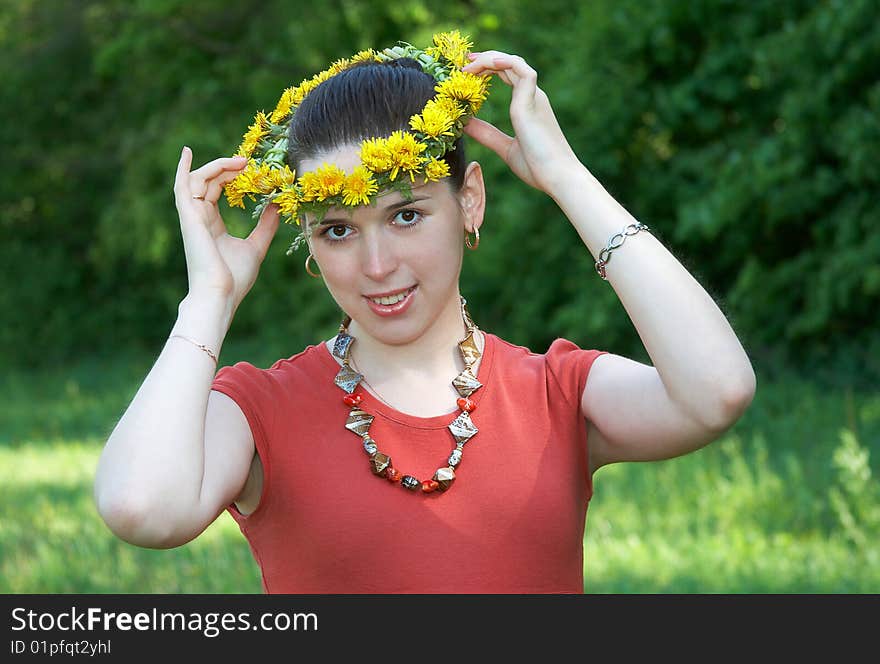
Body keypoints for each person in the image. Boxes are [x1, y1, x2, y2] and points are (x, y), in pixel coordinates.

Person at [94, 32, 756, 593]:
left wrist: (565, 177)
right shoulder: (259, 409)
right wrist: (210, 300)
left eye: (406, 215)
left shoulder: (555, 392)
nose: (377, 265)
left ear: (469, 200)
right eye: (337, 230)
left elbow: (718, 391)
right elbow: (140, 507)